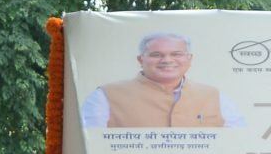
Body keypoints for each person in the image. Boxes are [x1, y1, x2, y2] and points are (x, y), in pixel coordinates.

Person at [80, 32, 244, 129]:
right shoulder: (106, 96)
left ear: (189, 59)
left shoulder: (214, 96)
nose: (167, 60)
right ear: (140, 59)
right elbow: (90, 145)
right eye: (156, 55)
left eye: (176, 54)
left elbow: (236, 141)